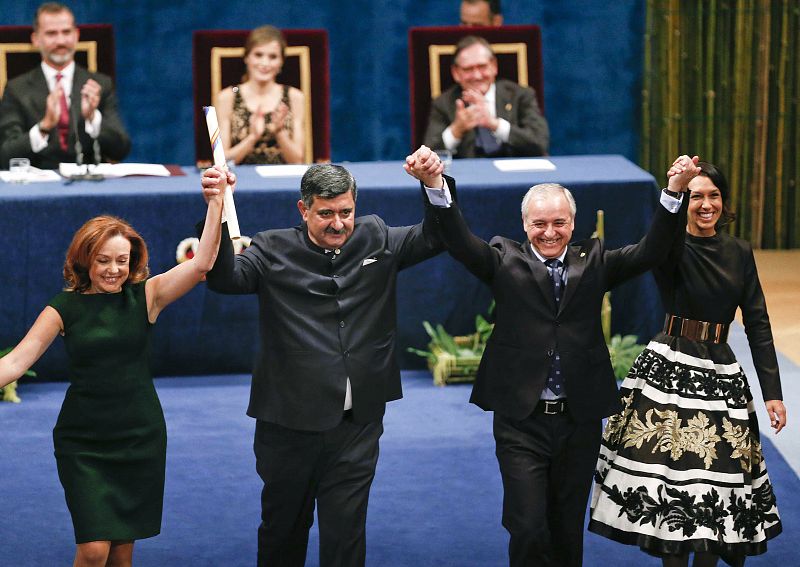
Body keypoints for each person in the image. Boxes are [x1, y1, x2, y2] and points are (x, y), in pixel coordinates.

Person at [404, 146, 698, 567]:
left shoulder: (594, 261)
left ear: (572, 223)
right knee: (526, 526)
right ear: (525, 224)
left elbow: (651, 251)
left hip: (578, 419)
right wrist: (434, 184)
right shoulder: (503, 259)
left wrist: (673, 192)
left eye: (559, 223)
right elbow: (457, 239)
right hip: (521, 420)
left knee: (565, 528)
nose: (549, 232)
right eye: (539, 223)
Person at [199, 151, 453, 567]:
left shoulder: (376, 237)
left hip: (358, 424)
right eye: (326, 214)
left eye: (346, 212)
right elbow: (225, 280)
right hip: (288, 425)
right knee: (283, 532)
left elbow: (439, 235)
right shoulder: (270, 247)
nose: (338, 224)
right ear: (304, 209)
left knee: (345, 536)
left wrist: (433, 183)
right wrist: (217, 210)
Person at [0, 186, 225, 565]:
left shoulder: (147, 296)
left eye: (122, 260)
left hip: (139, 438)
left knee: (121, 554)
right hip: (84, 443)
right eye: (104, 260)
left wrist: (216, 202)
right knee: (93, 550)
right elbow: (14, 363)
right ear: (85, 259)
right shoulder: (63, 308)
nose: (114, 270)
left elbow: (202, 263)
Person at [589, 162, 787, 567]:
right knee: (672, 492)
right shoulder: (668, 246)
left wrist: (773, 395)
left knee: (717, 494)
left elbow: (758, 323)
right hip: (669, 372)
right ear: (686, 202)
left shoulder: (740, 252)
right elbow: (657, 236)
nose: (706, 204)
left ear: (724, 202)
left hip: (721, 376)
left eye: (713, 195)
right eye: (696, 196)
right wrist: (673, 190)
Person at [0, 2, 131, 170]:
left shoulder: (100, 85)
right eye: (51, 34)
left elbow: (121, 150)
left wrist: (93, 118)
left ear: (76, 35)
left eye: (66, 32)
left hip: (89, 182)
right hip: (38, 185)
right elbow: (5, 156)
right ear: (36, 39)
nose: (60, 41)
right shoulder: (16, 89)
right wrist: (44, 126)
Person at [423, 35, 549, 159]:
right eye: (468, 69)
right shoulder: (443, 103)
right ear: (456, 73)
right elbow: (428, 155)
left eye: (482, 67)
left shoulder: (520, 95)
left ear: (494, 66)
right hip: (468, 176)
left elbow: (539, 143)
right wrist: (456, 129)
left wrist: (494, 124)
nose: (477, 76)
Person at [214, 25, 305, 165]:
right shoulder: (228, 96)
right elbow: (222, 162)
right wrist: (252, 137)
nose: (265, 63)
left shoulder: (294, 96)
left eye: (273, 57)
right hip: (238, 182)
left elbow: (298, 161)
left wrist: (279, 132)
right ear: (247, 58)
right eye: (258, 55)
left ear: (281, 62)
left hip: (282, 181)